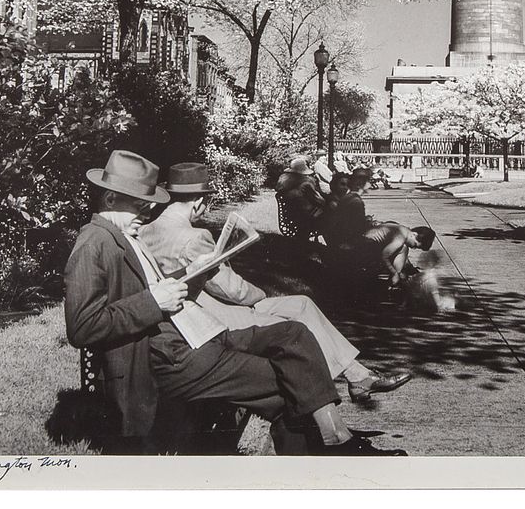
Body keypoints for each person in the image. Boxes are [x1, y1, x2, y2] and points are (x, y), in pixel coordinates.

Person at [64, 150, 406, 455]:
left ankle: (335, 444)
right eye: (141, 204)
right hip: (173, 357)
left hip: (194, 337)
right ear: (110, 199)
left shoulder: (123, 235)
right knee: (293, 382)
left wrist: (188, 273)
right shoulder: (95, 244)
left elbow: (145, 287)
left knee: (295, 335)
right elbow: (83, 327)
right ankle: (335, 451)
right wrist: (155, 301)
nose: (150, 210)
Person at [138, 162, 412, 403]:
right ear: (198, 202)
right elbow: (230, 289)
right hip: (214, 316)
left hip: (188, 311)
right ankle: (344, 393)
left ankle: (358, 376)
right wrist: (260, 295)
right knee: (295, 324)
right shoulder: (194, 237)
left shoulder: (145, 231)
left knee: (302, 304)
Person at [323, 171, 436, 285]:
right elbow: (384, 255)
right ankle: (396, 278)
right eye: (369, 181)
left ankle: (399, 275)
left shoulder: (351, 198)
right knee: (402, 248)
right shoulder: (355, 200)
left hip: (358, 238)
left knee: (402, 247)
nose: (371, 184)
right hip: (358, 242)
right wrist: (394, 273)